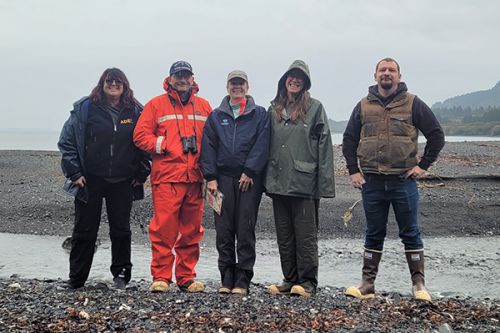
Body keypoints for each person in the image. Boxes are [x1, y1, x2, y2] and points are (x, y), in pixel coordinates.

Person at [343, 58, 445, 301]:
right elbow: (348, 140)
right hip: (372, 182)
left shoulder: (413, 103)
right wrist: (353, 171)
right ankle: (367, 284)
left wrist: (423, 166)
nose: (386, 74)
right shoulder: (363, 105)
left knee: (410, 232)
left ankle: (419, 285)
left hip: (403, 181)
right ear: (375, 75)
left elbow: (436, 135)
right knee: (373, 232)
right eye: (382, 70)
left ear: (399, 75)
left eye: (391, 70)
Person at [58, 67, 151, 289]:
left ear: (125, 85)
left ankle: (121, 276)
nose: (113, 85)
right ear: (102, 83)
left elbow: (144, 143)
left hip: (123, 180)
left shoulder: (136, 111)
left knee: (121, 229)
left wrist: (141, 173)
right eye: (109, 81)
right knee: (84, 230)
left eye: (118, 81)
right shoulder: (85, 108)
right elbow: (67, 142)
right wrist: (75, 173)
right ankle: (76, 279)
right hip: (89, 180)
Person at [133, 61, 212, 293]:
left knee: (192, 231)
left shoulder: (204, 106)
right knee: (163, 230)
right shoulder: (155, 105)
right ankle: (161, 277)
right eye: (178, 76)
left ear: (192, 78)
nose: (182, 80)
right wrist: (162, 144)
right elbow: (139, 136)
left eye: (186, 76)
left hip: (195, 179)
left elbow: (213, 140)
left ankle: (186, 277)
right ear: (170, 78)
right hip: (167, 177)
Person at [265, 60, 335, 297]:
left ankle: (307, 282)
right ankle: (290, 278)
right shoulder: (273, 109)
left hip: (304, 183)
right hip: (277, 181)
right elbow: (264, 144)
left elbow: (325, 145)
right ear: (284, 80)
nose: (295, 80)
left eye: (300, 78)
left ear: (305, 83)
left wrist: (324, 185)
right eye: (291, 76)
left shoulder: (315, 108)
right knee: (284, 235)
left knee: (305, 235)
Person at [200, 70, 270, 295]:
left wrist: (250, 170)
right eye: (233, 83)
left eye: (240, 84)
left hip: (249, 180)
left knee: (245, 228)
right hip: (221, 181)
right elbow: (208, 146)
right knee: (223, 230)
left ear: (247, 87)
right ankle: (226, 276)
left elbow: (263, 144)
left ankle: (243, 278)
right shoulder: (215, 115)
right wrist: (210, 177)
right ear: (227, 86)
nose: (236, 87)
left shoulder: (259, 114)